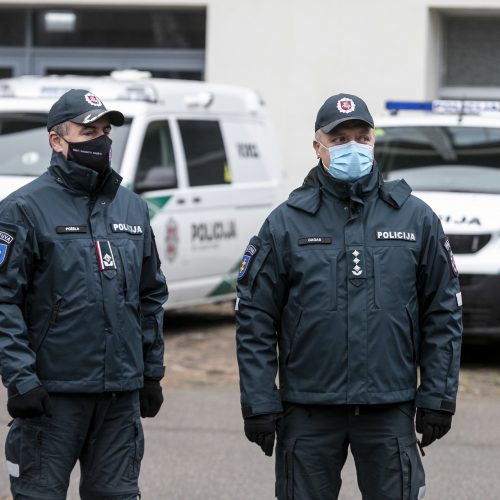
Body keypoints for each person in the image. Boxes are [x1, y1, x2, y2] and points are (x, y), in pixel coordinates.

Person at [236, 93, 463, 500]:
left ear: (374, 141)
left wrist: (438, 396)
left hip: (388, 407)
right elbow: (254, 316)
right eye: (339, 140)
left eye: (362, 136)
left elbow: (443, 312)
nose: (352, 147)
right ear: (317, 146)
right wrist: (259, 401)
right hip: (308, 409)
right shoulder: (286, 223)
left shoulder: (415, 218)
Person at [0, 89, 168, 499]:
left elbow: (150, 296)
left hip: (118, 399)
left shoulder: (132, 208)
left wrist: (151, 372)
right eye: (88, 130)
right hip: (51, 397)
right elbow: (4, 301)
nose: (101, 140)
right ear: (57, 140)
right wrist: (20, 379)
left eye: (106, 130)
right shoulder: (22, 209)